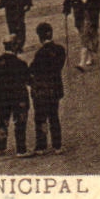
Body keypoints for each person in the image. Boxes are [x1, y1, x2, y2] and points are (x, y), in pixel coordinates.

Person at [0, 37, 33, 158]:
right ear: (14, 46)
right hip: (19, 97)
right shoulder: (21, 64)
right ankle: (21, 149)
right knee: (20, 123)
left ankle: (0, 147)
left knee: (2, 122)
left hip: (2, 97)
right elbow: (29, 80)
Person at [28, 23, 67, 155]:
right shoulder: (60, 50)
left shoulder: (40, 53)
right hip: (55, 87)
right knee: (54, 116)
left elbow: (33, 69)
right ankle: (57, 145)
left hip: (42, 90)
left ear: (40, 36)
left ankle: (41, 145)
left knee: (41, 117)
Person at [61, 0, 100, 71]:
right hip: (80, 16)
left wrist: (95, 10)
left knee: (86, 37)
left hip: (91, 16)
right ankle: (90, 58)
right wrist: (66, 9)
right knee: (84, 35)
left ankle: (82, 63)